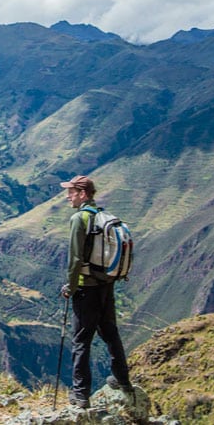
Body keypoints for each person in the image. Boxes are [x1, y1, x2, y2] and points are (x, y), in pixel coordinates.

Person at [60, 175, 133, 408]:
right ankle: (123, 381)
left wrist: (70, 287)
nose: (67, 196)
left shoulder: (79, 219)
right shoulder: (103, 217)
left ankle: (81, 395)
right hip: (106, 285)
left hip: (87, 289)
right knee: (111, 333)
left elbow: (75, 260)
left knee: (81, 341)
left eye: (71, 192)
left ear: (83, 194)